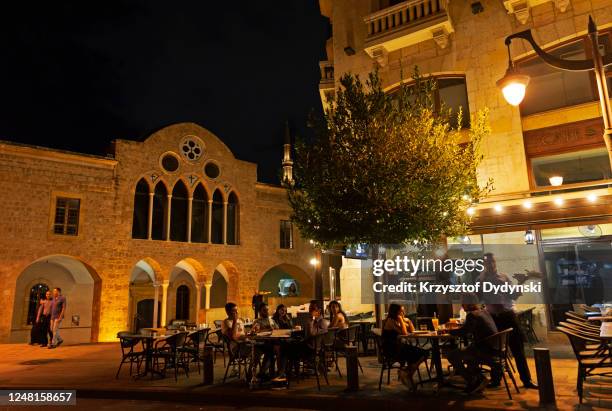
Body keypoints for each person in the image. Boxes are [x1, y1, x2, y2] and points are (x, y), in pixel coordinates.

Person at [479, 253, 538, 389]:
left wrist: (521, 282)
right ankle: (496, 379)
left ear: (495, 262)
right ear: (483, 264)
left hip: (508, 316)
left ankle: (526, 380)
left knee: (518, 349)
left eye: (492, 262)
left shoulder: (504, 277)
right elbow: (479, 298)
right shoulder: (480, 279)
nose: (490, 264)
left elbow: (513, 295)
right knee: (495, 350)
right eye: (487, 262)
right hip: (493, 318)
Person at [447, 299, 500, 394]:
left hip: (485, 350)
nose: (462, 306)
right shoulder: (484, 312)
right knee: (469, 353)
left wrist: (448, 331)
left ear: (468, 303)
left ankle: (473, 380)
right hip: (495, 349)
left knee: (452, 355)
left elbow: (464, 332)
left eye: (463, 303)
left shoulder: (472, 315)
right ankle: (478, 380)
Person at [381, 303, 428, 389]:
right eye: (401, 312)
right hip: (392, 350)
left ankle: (406, 373)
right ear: (396, 312)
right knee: (423, 353)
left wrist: (408, 321)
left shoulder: (397, 321)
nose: (404, 313)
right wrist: (402, 320)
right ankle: (407, 374)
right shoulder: (390, 321)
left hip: (399, 347)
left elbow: (413, 330)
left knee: (424, 353)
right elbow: (405, 333)